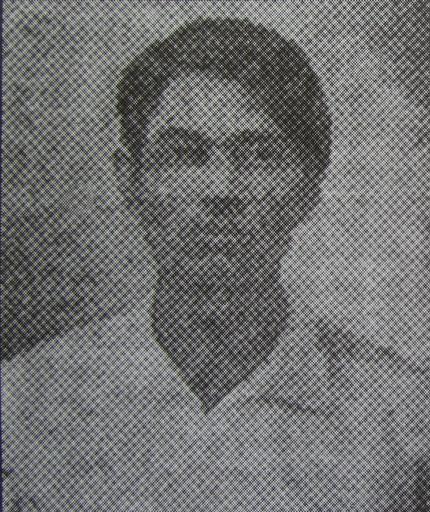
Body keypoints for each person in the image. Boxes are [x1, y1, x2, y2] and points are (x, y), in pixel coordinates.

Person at [2, 18, 428, 512]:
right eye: (184, 155)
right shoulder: (28, 404)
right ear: (131, 182)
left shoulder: (404, 417)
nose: (222, 190)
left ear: (309, 188)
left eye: (259, 155)